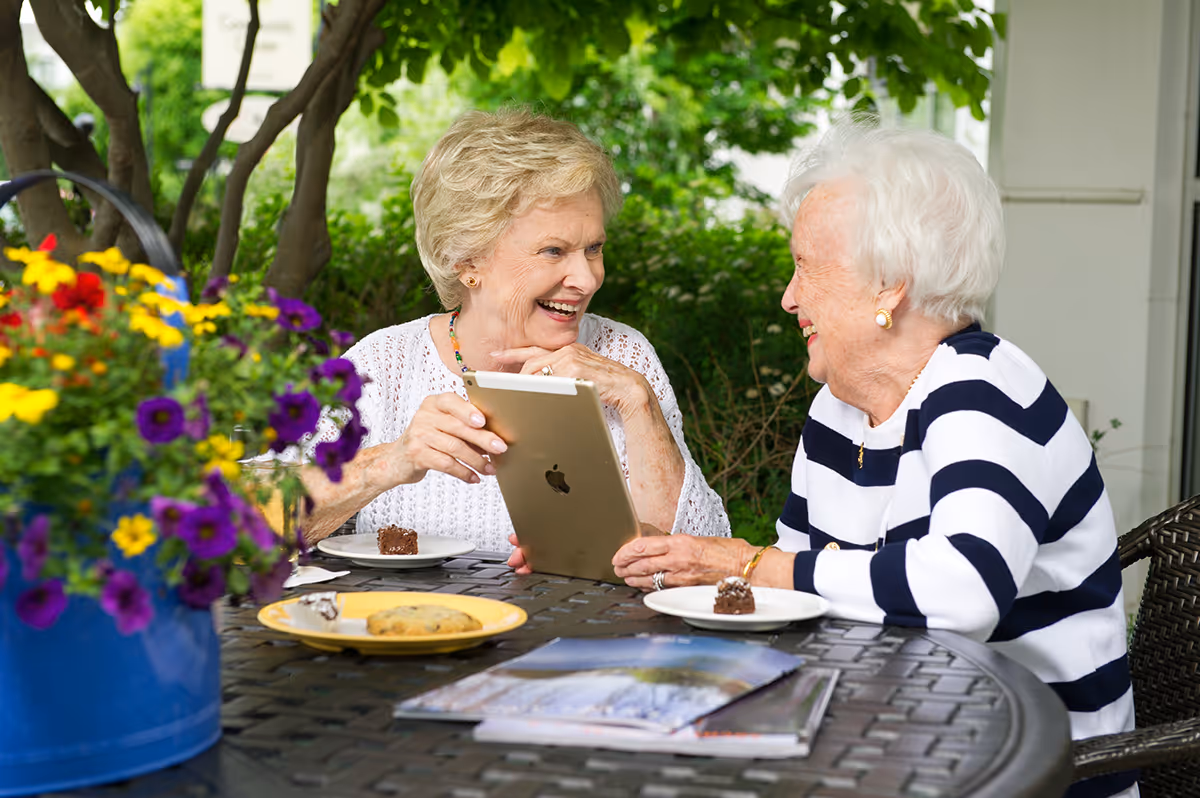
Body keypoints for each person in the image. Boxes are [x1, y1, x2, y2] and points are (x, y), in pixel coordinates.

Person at [612, 124, 1136, 798]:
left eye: (805, 266)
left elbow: (964, 589)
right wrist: (684, 569)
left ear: (888, 286)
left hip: (1018, 770)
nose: (788, 297)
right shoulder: (838, 407)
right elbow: (799, 592)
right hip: (883, 739)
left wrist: (748, 564)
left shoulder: (983, 390)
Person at [301, 108, 730, 553]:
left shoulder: (624, 356)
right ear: (468, 262)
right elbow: (253, 523)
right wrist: (391, 461)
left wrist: (640, 405)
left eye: (594, 248)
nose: (586, 279)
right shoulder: (384, 364)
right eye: (553, 251)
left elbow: (706, 562)